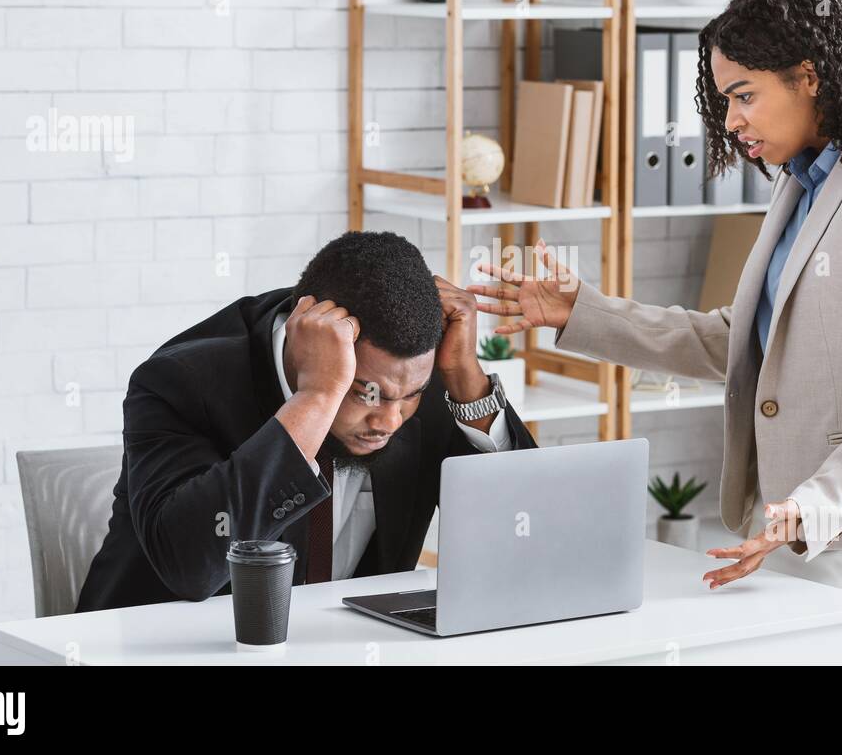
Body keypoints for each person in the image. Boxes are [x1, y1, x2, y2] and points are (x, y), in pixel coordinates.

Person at [470, 0, 842, 665]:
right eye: (724, 100)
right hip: (786, 525)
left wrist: (814, 507)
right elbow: (741, 342)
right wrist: (582, 312)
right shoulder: (804, 182)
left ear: (810, 76)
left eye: (744, 95)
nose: (730, 121)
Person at [77, 230, 535, 612]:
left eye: (411, 397)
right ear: (305, 341)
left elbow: (524, 537)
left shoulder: (410, 375)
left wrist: (465, 379)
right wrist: (317, 397)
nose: (390, 419)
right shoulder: (180, 382)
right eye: (363, 392)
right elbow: (190, 569)